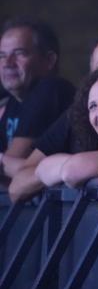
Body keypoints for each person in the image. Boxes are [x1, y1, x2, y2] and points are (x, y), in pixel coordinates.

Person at [8, 67, 98, 202]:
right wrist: (48, 171)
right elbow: (15, 188)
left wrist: (52, 169)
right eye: (92, 106)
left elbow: (72, 170)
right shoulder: (74, 121)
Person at [0, 18, 74, 179]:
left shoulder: (51, 89)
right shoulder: (14, 100)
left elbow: (18, 166)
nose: (7, 63)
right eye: (2, 55)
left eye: (19, 53)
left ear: (49, 60)